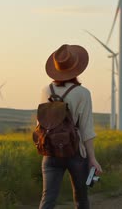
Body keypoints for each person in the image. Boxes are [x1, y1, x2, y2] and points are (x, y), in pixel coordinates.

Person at [39, 44, 103, 209]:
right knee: (81, 199)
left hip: (50, 152)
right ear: (76, 69)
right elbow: (86, 129)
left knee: (48, 199)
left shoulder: (46, 90)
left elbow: (41, 123)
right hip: (74, 152)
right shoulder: (83, 93)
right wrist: (92, 159)